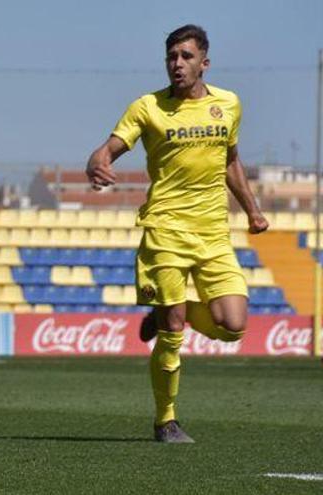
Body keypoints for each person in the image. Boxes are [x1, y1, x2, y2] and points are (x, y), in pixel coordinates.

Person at [86, 25, 268, 443]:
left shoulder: (228, 104)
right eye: (172, 57)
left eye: (186, 56)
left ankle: (165, 310)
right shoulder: (147, 107)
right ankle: (165, 420)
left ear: (204, 62)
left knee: (233, 326)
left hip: (213, 233)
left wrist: (253, 211)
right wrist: (96, 162)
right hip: (165, 231)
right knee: (173, 335)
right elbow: (108, 149)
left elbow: (231, 161)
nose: (177, 64)